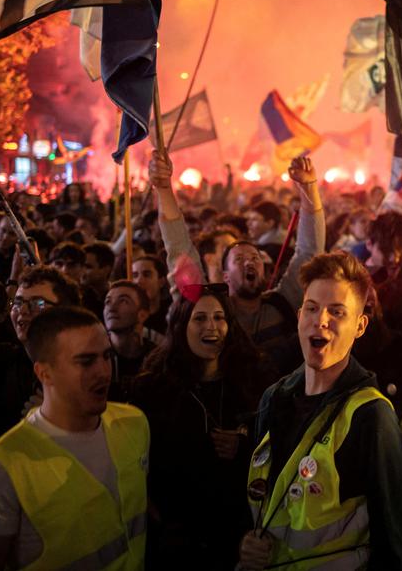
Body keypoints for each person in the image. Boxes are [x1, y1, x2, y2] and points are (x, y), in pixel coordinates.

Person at [240, 252, 402, 570]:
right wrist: (246, 542)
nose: (321, 320)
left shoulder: (371, 417)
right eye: (312, 309)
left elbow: (391, 540)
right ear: (300, 315)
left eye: (337, 312)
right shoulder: (273, 398)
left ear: (360, 326)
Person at [0, 307, 149, 570]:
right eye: (86, 361)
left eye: (106, 356)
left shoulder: (133, 424)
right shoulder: (1, 471)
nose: (103, 372)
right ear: (44, 373)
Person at [149, 149, 325, 376]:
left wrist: (309, 187)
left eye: (255, 258)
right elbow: (180, 250)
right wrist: (163, 188)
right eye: (239, 259)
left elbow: (309, 252)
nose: (249, 262)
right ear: (225, 276)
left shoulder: (282, 304)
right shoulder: (209, 310)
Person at [131, 282, 270, 568]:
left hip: (235, 535)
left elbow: (275, 443)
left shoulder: (253, 380)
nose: (212, 327)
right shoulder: (153, 387)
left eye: (219, 318)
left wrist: (244, 446)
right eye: (200, 318)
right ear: (182, 325)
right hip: (175, 537)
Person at [102, 280, 155, 401]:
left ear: (142, 315)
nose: (112, 308)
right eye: (107, 302)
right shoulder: (97, 357)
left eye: (123, 301)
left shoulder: (156, 359)